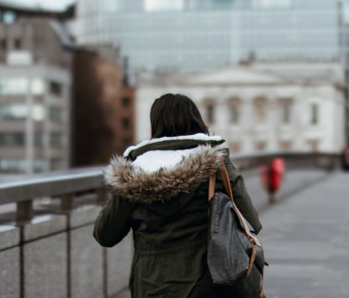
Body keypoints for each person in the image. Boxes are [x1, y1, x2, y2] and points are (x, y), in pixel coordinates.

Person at [93, 93, 261, 297]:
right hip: (206, 286)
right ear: (196, 121)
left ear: (155, 126)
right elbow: (252, 222)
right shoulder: (216, 167)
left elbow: (105, 234)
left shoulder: (132, 173)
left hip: (150, 286)